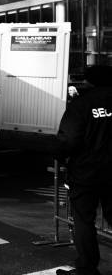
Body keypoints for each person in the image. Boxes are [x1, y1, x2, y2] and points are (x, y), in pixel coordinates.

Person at [55, 65, 112, 275]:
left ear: (90, 81)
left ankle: (87, 268)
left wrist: (59, 156)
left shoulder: (82, 104)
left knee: (84, 219)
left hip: (87, 172)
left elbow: (68, 139)